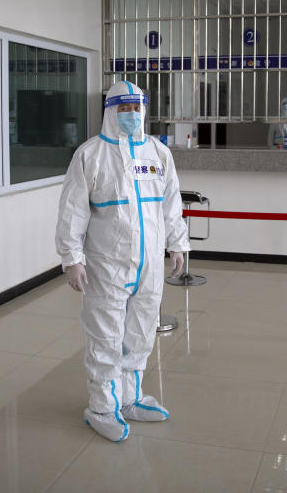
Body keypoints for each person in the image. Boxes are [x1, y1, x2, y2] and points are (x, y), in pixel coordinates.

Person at [56, 80, 189, 443]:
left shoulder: (158, 154)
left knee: (141, 332)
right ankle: (101, 406)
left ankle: (129, 398)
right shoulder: (90, 154)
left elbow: (171, 203)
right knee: (106, 335)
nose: (131, 115)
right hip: (106, 264)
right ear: (110, 111)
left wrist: (178, 243)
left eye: (136, 107)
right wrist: (72, 257)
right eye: (123, 108)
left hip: (150, 266)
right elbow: (73, 209)